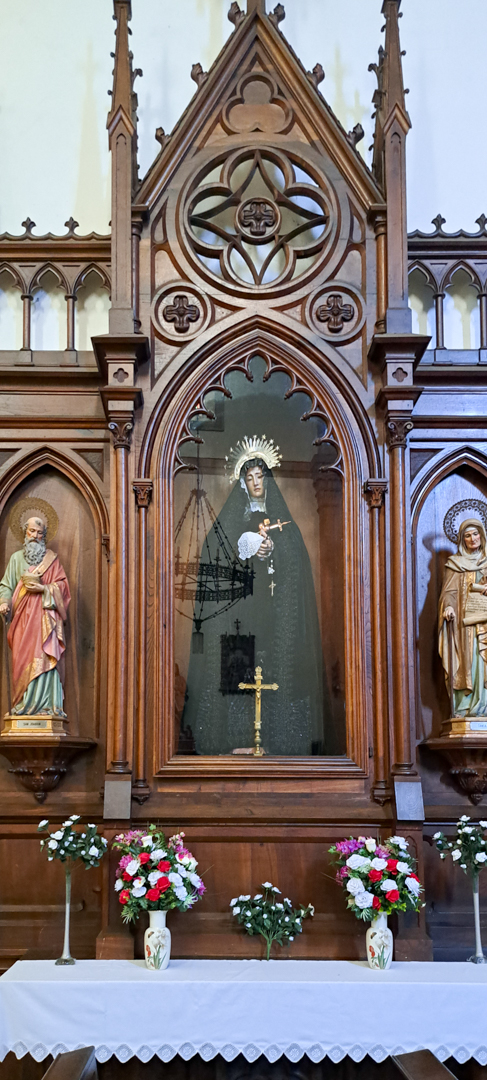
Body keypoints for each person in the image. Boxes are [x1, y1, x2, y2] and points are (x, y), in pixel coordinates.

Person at [182, 436, 327, 755]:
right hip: (241, 620)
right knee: (237, 673)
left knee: (279, 672)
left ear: (268, 480)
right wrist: (242, 549)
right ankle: (235, 742)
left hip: (276, 620)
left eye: (260, 476)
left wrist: (275, 549)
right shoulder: (229, 524)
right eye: (249, 477)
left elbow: (297, 564)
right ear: (242, 484)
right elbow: (214, 554)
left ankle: (281, 741)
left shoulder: (285, 526)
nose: (256, 482)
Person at [0, 515, 70, 718]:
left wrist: (44, 589)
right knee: (22, 661)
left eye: (40, 533)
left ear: (44, 535)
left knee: (46, 658)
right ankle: (22, 704)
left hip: (45, 621)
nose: (35, 536)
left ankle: (47, 706)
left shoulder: (52, 560)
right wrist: (4, 602)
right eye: (32, 531)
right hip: (22, 622)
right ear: (25, 532)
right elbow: (6, 585)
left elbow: (63, 587)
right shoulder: (16, 559)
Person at [439, 517, 487, 717]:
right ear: (462, 540)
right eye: (467, 535)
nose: (472, 538)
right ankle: (465, 707)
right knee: (467, 661)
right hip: (464, 625)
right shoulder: (455, 564)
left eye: (475, 534)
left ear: (482, 535)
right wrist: (448, 607)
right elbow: (448, 593)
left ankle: (484, 707)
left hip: (485, 623)